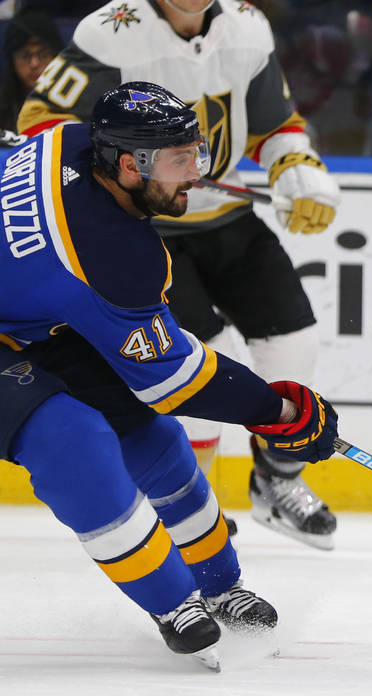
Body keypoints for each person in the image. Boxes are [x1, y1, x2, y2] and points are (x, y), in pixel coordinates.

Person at [0, 81, 339, 669]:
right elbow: (173, 379)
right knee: (71, 439)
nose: (198, 175)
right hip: (20, 320)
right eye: (181, 161)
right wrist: (278, 412)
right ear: (129, 166)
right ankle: (172, 603)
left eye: (198, 154)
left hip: (24, 317)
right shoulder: (112, 252)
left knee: (148, 434)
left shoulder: (72, 139)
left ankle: (220, 585)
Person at [18, 0, 343, 550]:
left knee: (295, 343)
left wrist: (296, 168)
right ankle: (197, 505)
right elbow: (39, 124)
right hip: (149, 226)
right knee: (204, 355)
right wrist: (121, 173)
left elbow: (274, 125)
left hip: (229, 220)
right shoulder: (110, 31)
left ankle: (276, 482)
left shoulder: (248, 26)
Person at [0, 8, 61, 131]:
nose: (34, 64)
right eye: (25, 55)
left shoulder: (76, 105)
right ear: (12, 61)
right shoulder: (2, 107)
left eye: (43, 55)